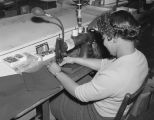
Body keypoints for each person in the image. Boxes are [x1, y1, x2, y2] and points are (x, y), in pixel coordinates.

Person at [47, 10, 149, 120]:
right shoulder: (140, 58)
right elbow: (104, 64)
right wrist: (73, 59)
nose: (103, 43)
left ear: (114, 38)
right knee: (78, 81)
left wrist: (57, 72)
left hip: (94, 115)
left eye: (104, 38)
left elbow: (80, 94)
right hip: (114, 110)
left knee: (53, 98)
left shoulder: (114, 76)